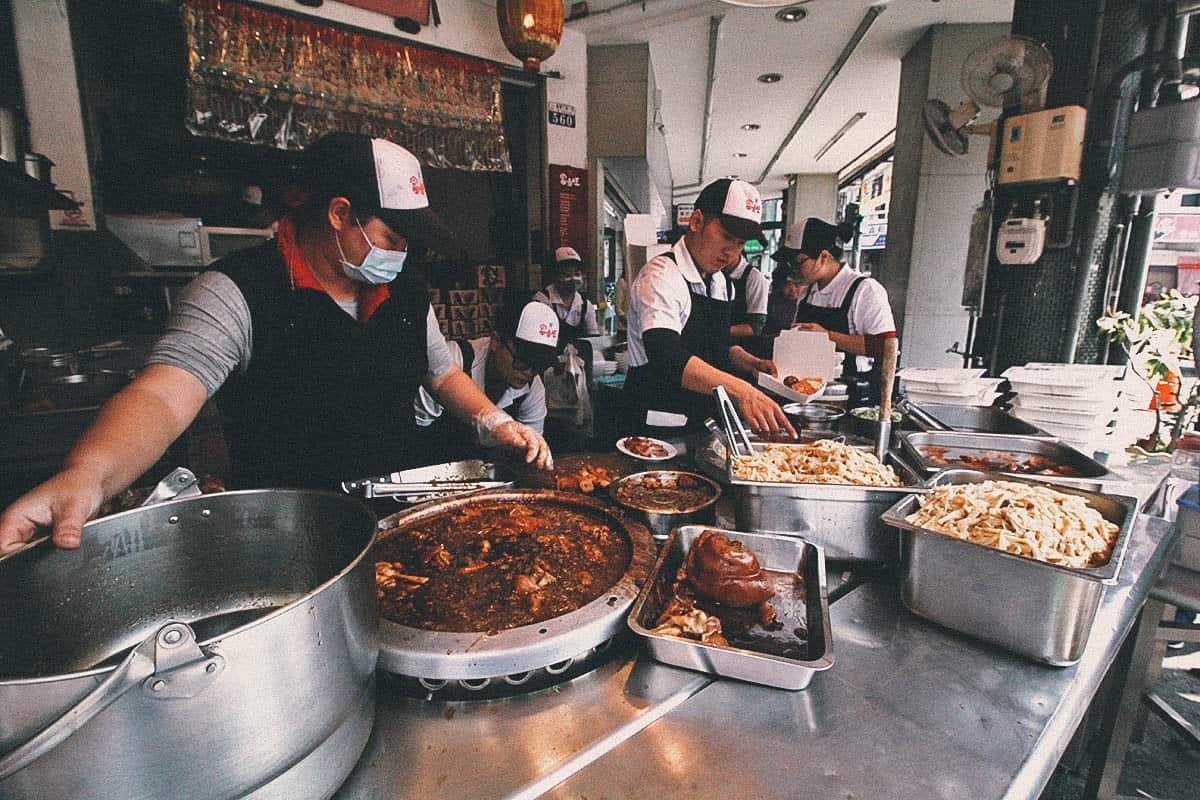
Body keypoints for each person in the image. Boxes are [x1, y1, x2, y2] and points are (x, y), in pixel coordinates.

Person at [0, 132, 552, 553]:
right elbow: (163, 398)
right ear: (340, 214)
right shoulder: (234, 292)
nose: (403, 255)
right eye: (392, 237)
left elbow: (441, 371)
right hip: (288, 543)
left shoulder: (401, 288)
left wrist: (495, 421)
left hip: (397, 525)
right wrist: (88, 473)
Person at [624, 178, 794, 436]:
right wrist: (743, 391)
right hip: (658, 424)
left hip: (704, 418)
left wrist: (750, 362)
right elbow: (666, 355)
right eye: (726, 236)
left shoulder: (719, 281)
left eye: (739, 243)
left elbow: (715, 345)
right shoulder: (661, 277)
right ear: (696, 221)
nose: (731, 252)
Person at [414, 293, 560, 461]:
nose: (529, 372)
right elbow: (417, 431)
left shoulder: (532, 388)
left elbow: (530, 454)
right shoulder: (451, 362)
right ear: (496, 341)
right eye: (523, 361)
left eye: (539, 365)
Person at [771, 217, 897, 405]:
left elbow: (887, 347)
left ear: (824, 256)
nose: (793, 269)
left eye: (798, 262)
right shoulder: (807, 291)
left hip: (848, 396)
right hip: (806, 393)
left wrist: (827, 336)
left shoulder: (864, 290)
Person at [536, 247, 602, 340]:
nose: (573, 279)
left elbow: (594, 338)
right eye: (567, 275)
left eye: (577, 274)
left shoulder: (586, 306)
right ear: (555, 275)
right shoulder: (542, 301)